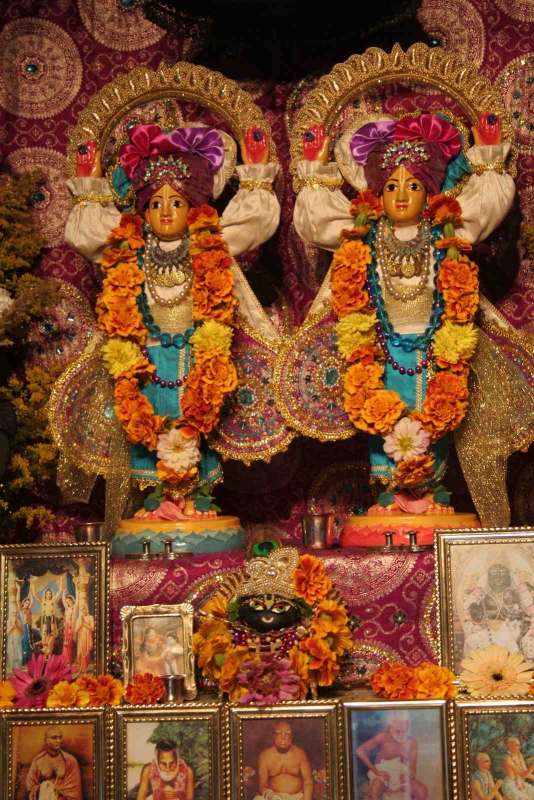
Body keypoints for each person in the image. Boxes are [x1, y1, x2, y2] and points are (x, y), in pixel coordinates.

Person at [292, 112, 534, 526]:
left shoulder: (446, 232)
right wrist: (315, 170)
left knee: (434, 415)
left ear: (430, 193)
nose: (402, 195)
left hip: (435, 348)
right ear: (376, 195)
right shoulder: (364, 235)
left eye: (413, 185)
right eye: (391, 186)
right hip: (380, 350)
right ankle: (388, 494)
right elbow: (316, 221)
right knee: (380, 414)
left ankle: (431, 492)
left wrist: (489, 157)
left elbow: (487, 205)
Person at [63, 121, 280, 526]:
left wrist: (256, 176)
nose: (165, 210)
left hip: (198, 361)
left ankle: (198, 498)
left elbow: (256, 222)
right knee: (147, 425)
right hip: (146, 364)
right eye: (156, 202)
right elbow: (84, 233)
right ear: (143, 210)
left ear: (194, 208)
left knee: (197, 423)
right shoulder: (131, 249)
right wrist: (89, 184)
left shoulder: (209, 244)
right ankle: (154, 501)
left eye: (176, 202)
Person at [355, 710, 427, 799]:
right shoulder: (383, 736)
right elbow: (359, 750)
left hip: (400, 773)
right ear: (390, 727)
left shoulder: (412, 742)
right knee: (376, 788)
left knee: (422, 791)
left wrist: (408, 775)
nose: (401, 735)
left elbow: (412, 770)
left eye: (404, 731)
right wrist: (376, 771)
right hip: (382, 773)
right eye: (398, 731)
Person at [254, 720, 314, 800]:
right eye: (279, 733)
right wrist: (272, 796)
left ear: (292, 736)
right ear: (274, 735)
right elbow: (262, 785)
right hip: (272, 797)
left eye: (287, 733)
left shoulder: (300, 753)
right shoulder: (264, 755)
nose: (283, 737)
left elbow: (308, 782)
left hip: (297, 797)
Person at [25, 726, 83, 800]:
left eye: (60, 737)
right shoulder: (38, 761)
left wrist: (58, 792)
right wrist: (45, 789)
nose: (58, 741)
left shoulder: (70, 760)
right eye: (54, 737)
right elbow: (31, 786)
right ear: (46, 740)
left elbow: (75, 789)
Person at [30, 575, 65, 658]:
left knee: (51, 635)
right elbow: (34, 594)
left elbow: (60, 590)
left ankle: (49, 652)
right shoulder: (43, 600)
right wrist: (32, 584)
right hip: (45, 619)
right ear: (45, 595)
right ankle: (46, 652)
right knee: (44, 635)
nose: (48, 595)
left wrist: (61, 580)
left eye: (50, 594)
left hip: (52, 619)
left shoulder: (53, 600)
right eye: (47, 594)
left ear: (51, 594)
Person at [62, 578, 79, 664]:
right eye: (67, 601)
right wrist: (64, 592)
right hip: (66, 627)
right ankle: (65, 659)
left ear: (72, 600)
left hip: (71, 627)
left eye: (69, 601)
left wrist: (76, 586)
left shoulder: (74, 608)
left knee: (69, 643)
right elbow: (63, 600)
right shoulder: (67, 608)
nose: (68, 602)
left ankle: (69, 659)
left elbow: (78, 598)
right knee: (65, 643)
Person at [74, 602, 94, 674]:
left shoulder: (90, 617)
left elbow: (92, 628)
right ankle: (81, 668)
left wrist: (84, 623)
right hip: (81, 637)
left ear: (86, 609)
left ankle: (85, 669)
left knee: (86, 653)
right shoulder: (79, 619)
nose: (83, 611)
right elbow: (76, 630)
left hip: (87, 637)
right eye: (81, 610)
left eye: (84, 609)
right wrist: (80, 624)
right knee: (80, 653)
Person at [6, 603, 24, 672]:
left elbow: (22, 632)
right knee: (12, 656)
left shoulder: (19, 622)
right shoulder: (8, 622)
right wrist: (12, 627)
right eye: (13, 612)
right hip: (11, 640)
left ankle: (18, 671)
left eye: (16, 612)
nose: (15, 614)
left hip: (18, 640)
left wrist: (17, 627)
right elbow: (7, 633)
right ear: (11, 613)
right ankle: (12, 671)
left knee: (18, 656)